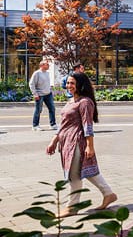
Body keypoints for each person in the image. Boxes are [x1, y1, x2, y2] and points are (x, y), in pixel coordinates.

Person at [45, 72, 117, 217]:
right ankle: (108, 194)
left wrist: (90, 146)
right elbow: (63, 125)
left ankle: (72, 206)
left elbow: (87, 125)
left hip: (78, 142)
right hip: (66, 142)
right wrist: (54, 140)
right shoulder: (71, 101)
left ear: (80, 85)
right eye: (68, 83)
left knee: (74, 174)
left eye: (72, 83)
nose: (68, 86)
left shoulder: (85, 102)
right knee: (85, 171)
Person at [30, 59, 57, 131]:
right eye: (47, 64)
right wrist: (35, 94)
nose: (48, 66)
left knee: (52, 109)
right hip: (39, 95)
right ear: (42, 65)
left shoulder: (47, 73)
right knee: (38, 110)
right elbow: (31, 84)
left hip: (48, 94)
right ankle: (35, 126)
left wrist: (50, 89)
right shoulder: (37, 73)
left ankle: (53, 124)